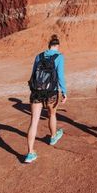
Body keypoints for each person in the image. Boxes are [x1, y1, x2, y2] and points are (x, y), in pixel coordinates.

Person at [24, 34, 67, 163]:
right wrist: (64, 92)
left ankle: (30, 153)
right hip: (51, 93)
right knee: (52, 114)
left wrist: (33, 89)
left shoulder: (39, 56)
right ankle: (53, 137)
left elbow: (33, 74)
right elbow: (60, 76)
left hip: (37, 93)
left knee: (34, 121)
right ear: (57, 46)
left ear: (49, 45)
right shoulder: (59, 57)